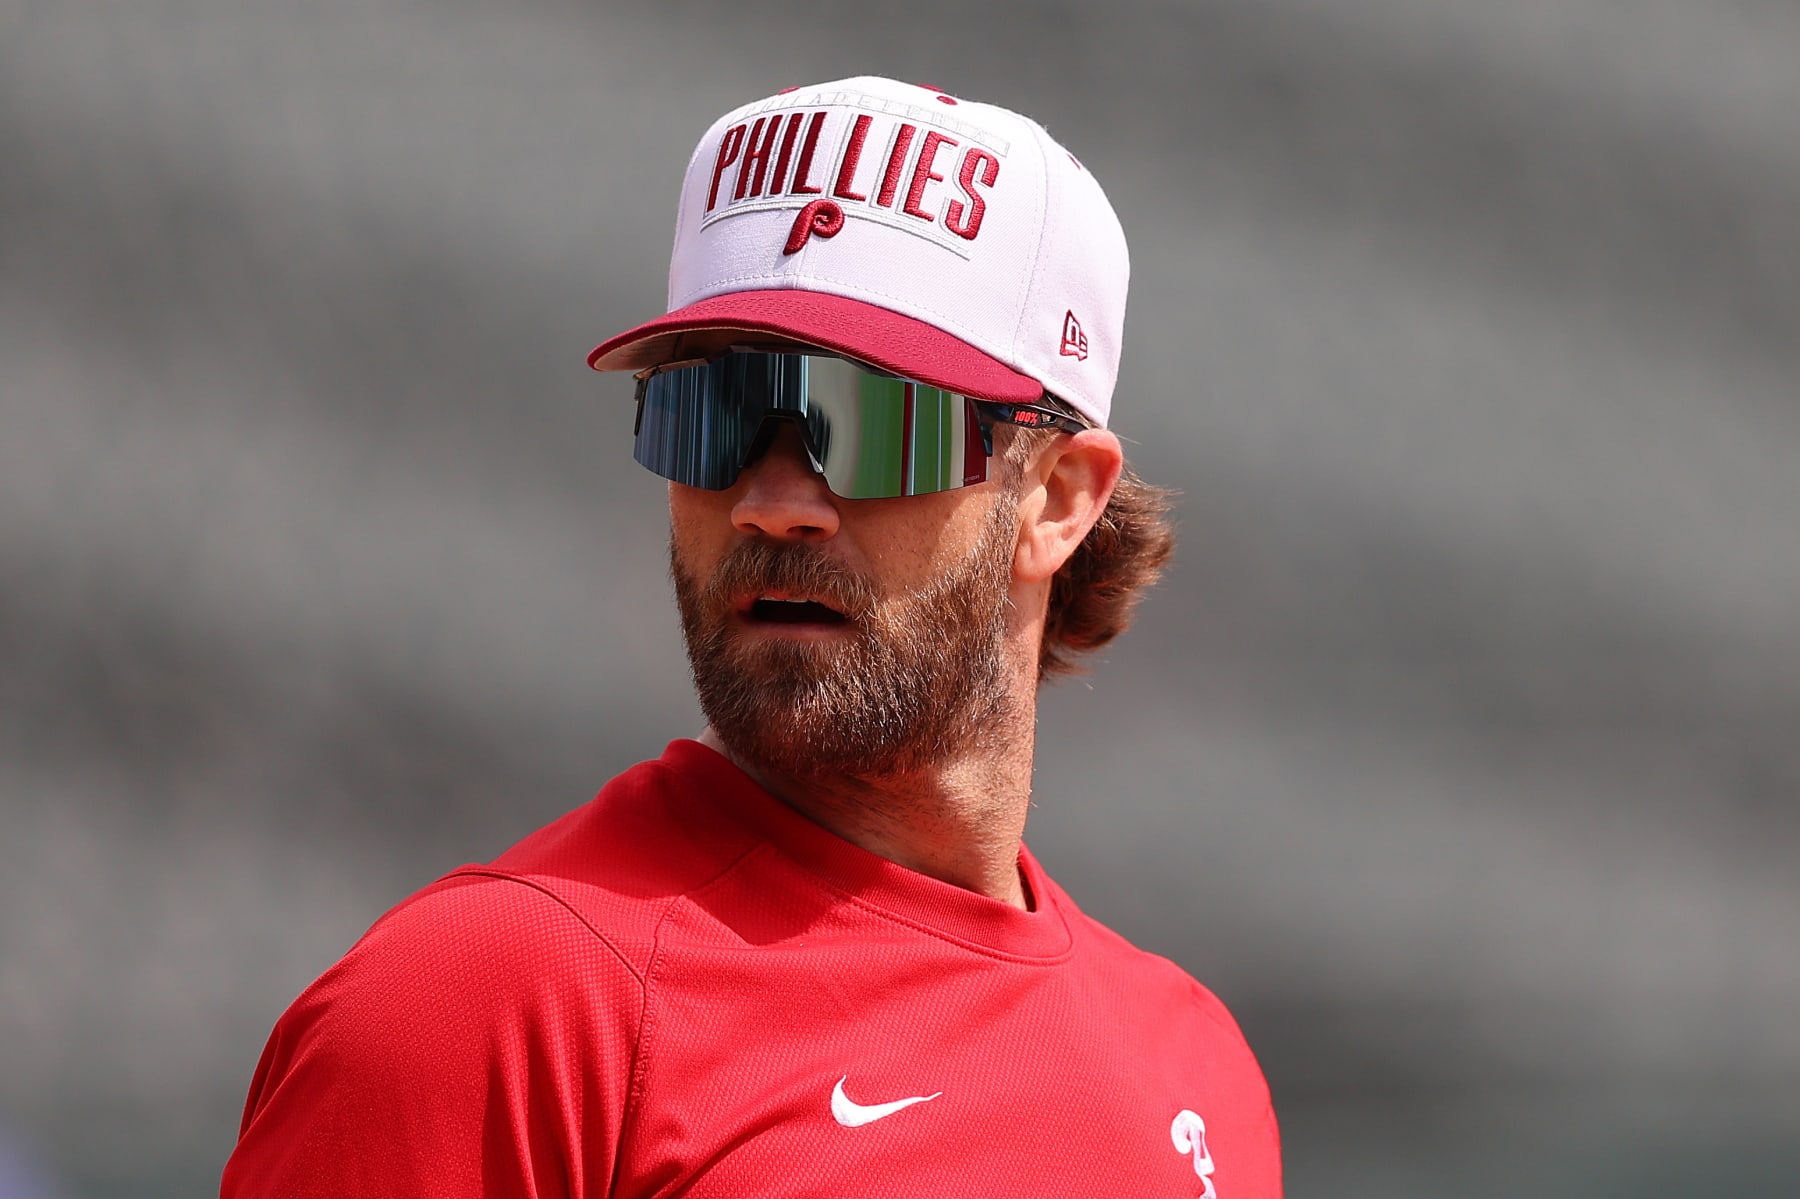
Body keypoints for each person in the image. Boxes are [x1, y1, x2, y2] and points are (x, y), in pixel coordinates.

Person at [221, 76, 1282, 1197]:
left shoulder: (1197, 1071)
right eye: (710, 413)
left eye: (867, 422)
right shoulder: (486, 1008)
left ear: (1059, 495)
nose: (772, 499)